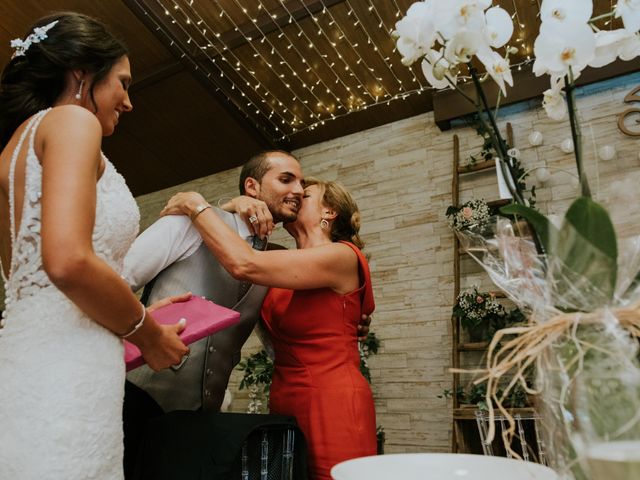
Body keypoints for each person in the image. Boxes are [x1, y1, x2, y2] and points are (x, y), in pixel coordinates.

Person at [0, 12, 189, 479]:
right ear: (81, 76)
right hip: (66, 374)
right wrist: (147, 332)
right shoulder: (70, 121)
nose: (128, 102)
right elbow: (67, 263)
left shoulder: (14, 147)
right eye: (122, 83)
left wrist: (136, 306)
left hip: (31, 360)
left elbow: (48, 278)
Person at [161, 177, 377, 480]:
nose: (297, 195)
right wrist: (233, 204)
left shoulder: (341, 255)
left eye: (307, 194)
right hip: (285, 396)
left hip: (334, 399)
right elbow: (233, 239)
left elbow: (243, 263)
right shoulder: (281, 258)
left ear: (329, 212)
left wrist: (195, 204)